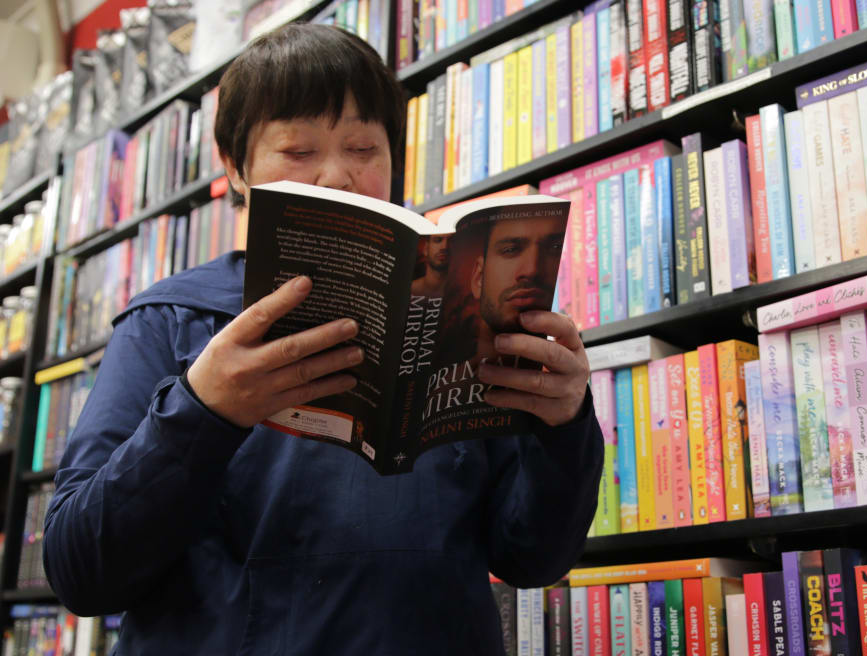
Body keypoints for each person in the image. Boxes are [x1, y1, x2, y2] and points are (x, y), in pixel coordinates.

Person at [43, 24, 603, 655]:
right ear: (238, 171)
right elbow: (80, 572)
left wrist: (565, 426)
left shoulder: (462, 311)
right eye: (297, 151)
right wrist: (203, 410)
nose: (338, 177)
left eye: (364, 147)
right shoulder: (170, 320)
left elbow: (533, 559)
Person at [470, 214, 563, 360]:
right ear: (479, 278)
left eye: (556, 247)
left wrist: (579, 383)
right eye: (510, 250)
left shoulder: (562, 375)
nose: (532, 270)